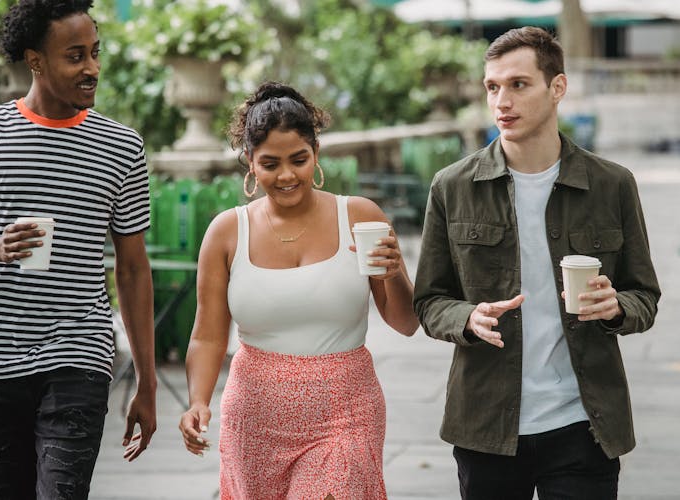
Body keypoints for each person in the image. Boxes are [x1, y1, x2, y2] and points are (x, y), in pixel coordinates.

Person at [413, 26, 660, 500]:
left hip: (584, 425)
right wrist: (468, 317)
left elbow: (644, 296)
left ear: (557, 88)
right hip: (486, 425)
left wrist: (616, 306)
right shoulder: (452, 187)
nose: (501, 100)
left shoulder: (613, 185)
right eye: (492, 87)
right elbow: (429, 300)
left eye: (518, 84)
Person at [0, 1, 157, 498]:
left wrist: (147, 379)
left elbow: (134, 270)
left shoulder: (122, 147)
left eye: (95, 52)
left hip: (79, 350)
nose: (92, 67)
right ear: (35, 61)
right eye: (75, 56)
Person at [178, 81, 419, 499]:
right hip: (253, 418)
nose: (286, 175)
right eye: (270, 163)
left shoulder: (360, 216)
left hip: (345, 413)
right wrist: (198, 400)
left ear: (316, 154)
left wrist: (395, 272)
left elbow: (405, 323)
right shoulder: (227, 232)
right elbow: (207, 334)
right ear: (250, 163)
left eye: (298, 160)